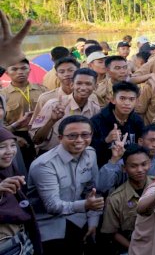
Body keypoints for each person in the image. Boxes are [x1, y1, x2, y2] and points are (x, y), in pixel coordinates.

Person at [27, 115, 103, 255]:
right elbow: (52, 206)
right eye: (72, 136)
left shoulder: (90, 154)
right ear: (60, 138)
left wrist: (93, 221)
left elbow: (92, 191)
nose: (79, 140)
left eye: (85, 134)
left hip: (77, 218)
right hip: (48, 225)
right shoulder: (45, 165)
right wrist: (86, 205)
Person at [30, 68, 101, 152]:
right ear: (72, 85)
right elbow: (36, 140)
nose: (83, 87)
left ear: (95, 87)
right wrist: (52, 121)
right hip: (53, 156)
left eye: (88, 84)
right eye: (79, 83)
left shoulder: (95, 108)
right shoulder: (53, 105)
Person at [101, 144, 154, 254]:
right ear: (124, 168)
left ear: (150, 164)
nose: (140, 170)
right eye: (133, 166)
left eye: (144, 164)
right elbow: (112, 232)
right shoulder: (115, 199)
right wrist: (134, 250)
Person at [0, 127, 42, 255]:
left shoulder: (10, 170)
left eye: (13, 145)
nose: (10, 151)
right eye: (1, 147)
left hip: (21, 241)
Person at [90, 81, 145, 167]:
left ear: (137, 102)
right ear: (113, 100)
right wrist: (106, 140)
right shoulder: (97, 121)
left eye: (131, 99)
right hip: (103, 168)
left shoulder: (137, 120)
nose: (127, 103)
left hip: (130, 169)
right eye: (122, 98)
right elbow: (89, 151)